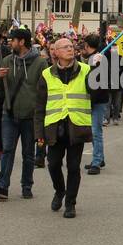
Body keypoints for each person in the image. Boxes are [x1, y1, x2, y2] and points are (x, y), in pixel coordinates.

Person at [34, 36, 93, 219]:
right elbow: (39, 106)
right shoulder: (46, 74)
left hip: (77, 127)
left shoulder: (86, 70)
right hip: (54, 128)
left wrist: (101, 70)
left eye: (71, 46)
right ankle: (60, 191)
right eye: (65, 47)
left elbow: (99, 94)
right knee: (53, 165)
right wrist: (39, 133)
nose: (70, 49)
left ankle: (70, 203)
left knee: (74, 167)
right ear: (55, 52)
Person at [0, 27, 47, 200]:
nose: (10, 42)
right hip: (9, 114)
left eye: (13, 40)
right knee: (7, 150)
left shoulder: (40, 63)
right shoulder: (7, 60)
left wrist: (40, 113)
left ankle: (27, 185)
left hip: (30, 116)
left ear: (22, 42)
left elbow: (44, 90)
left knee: (28, 154)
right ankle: (2, 185)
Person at [83, 34, 111, 174]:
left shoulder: (100, 58)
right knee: (94, 131)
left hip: (97, 100)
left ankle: (96, 162)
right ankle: (99, 158)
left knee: (96, 132)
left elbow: (98, 81)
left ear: (87, 45)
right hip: (92, 99)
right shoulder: (93, 58)